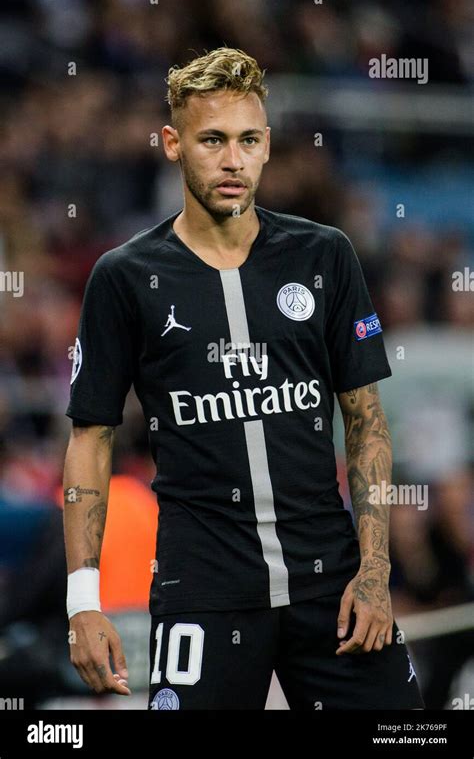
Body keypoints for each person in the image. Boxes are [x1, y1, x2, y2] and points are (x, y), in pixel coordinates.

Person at [63, 47, 424, 710]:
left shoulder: (325, 256)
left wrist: (375, 572)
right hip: (202, 594)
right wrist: (81, 603)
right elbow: (91, 437)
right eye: (213, 140)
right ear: (173, 144)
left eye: (249, 140)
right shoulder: (125, 277)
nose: (233, 160)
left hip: (335, 589)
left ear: (266, 147)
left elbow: (366, 420)